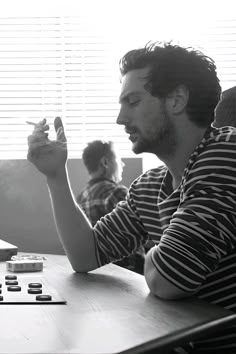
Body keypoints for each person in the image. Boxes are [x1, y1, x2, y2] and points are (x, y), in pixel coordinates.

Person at [27, 42, 236, 353]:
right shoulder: (149, 185)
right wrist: (56, 176)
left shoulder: (226, 152)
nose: (120, 118)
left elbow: (171, 279)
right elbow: (86, 256)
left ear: (177, 100)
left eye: (133, 102)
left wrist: (158, 254)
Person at [77, 139, 144, 274]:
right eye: (119, 159)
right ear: (105, 162)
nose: (123, 164)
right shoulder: (117, 193)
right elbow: (142, 231)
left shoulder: (80, 198)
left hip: (95, 271)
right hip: (127, 273)